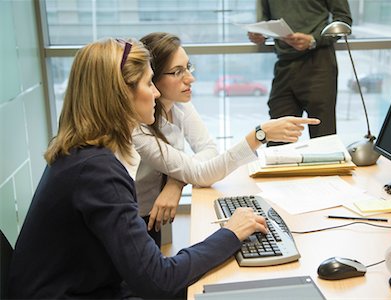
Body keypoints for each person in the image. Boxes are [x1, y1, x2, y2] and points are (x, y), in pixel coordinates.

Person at [7, 38, 269, 299]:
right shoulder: (97, 171)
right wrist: (230, 234)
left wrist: (177, 184)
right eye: (147, 83)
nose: (155, 92)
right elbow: (159, 281)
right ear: (120, 94)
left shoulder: (80, 154)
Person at [133, 32, 320, 243]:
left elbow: (208, 148)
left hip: (156, 209)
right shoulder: (139, 128)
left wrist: (177, 181)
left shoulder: (179, 104)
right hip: (136, 216)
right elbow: (202, 173)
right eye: (177, 72)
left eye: (188, 67)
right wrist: (259, 135)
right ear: (152, 78)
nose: (190, 78)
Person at [248, 0, 352, 141]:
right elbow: (265, 19)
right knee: (278, 141)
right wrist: (260, 33)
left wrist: (313, 39)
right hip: (284, 64)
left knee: (323, 140)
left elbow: (343, 20)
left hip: (319, 63)